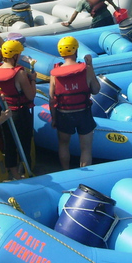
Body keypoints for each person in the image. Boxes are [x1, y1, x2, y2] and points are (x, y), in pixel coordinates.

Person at [0, 40, 36, 180]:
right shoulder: (19, 73)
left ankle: (13, 172)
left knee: (8, 142)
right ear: (15, 56)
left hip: (3, 112)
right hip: (19, 113)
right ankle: (25, 170)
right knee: (24, 142)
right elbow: (30, 95)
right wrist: (33, 80)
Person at [49, 36, 100, 170]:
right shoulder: (86, 69)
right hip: (83, 113)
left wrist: (54, 118)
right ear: (76, 50)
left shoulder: (55, 73)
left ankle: (66, 171)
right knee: (86, 148)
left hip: (64, 114)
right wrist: (90, 66)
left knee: (63, 145)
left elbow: (52, 98)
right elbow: (96, 90)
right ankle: (84, 175)